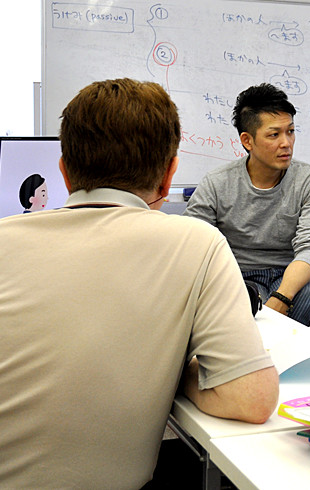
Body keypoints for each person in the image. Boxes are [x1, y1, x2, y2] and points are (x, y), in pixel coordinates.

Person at [0, 78, 279, 488]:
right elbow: (250, 399)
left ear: (63, 171)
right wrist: (174, 367)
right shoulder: (195, 243)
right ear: (169, 176)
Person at [185, 83, 310, 326]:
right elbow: (193, 241)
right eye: (274, 135)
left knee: (307, 298)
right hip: (235, 273)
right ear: (247, 140)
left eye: (291, 131)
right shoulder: (218, 182)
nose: (286, 143)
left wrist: (282, 298)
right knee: (241, 305)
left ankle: (277, 358)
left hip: (287, 273)